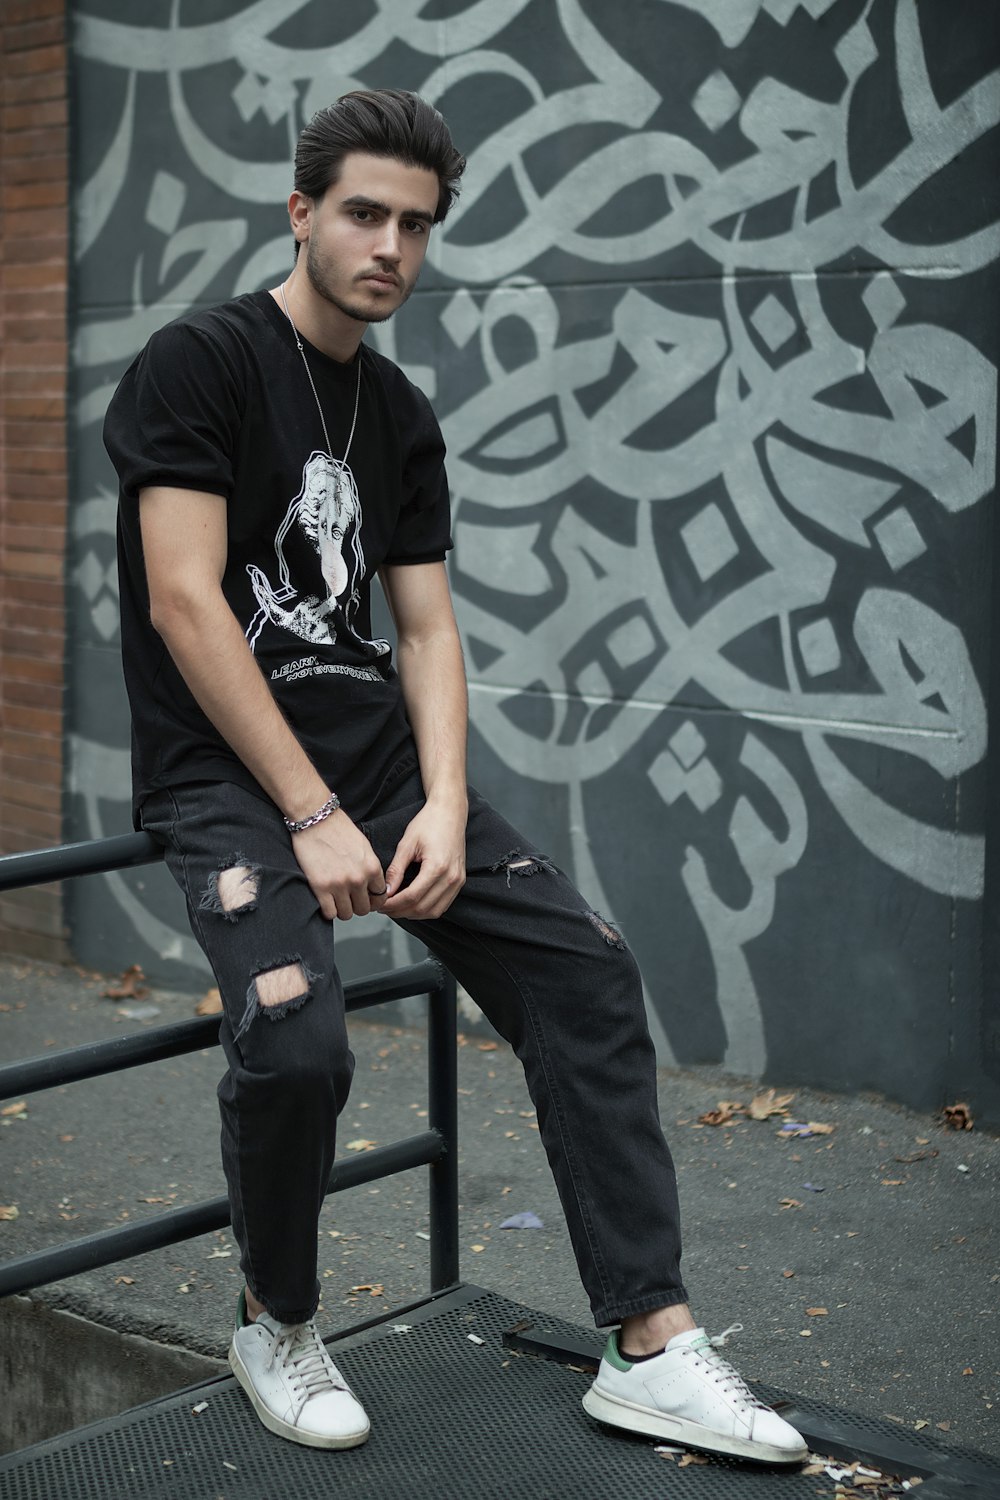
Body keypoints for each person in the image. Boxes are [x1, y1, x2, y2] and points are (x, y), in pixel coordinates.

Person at [105, 88, 807, 1464]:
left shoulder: (401, 412)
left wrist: (437, 799)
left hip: (377, 769)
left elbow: (425, 630)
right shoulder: (199, 365)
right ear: (301, 212)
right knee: (299, 1027)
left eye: (417, 225)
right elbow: (188, 605)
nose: (392, 247)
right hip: (231, 781)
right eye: (364, 213)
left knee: (587, 971)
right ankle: (277, 1317)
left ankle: (650, 1343)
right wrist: (307, 813)